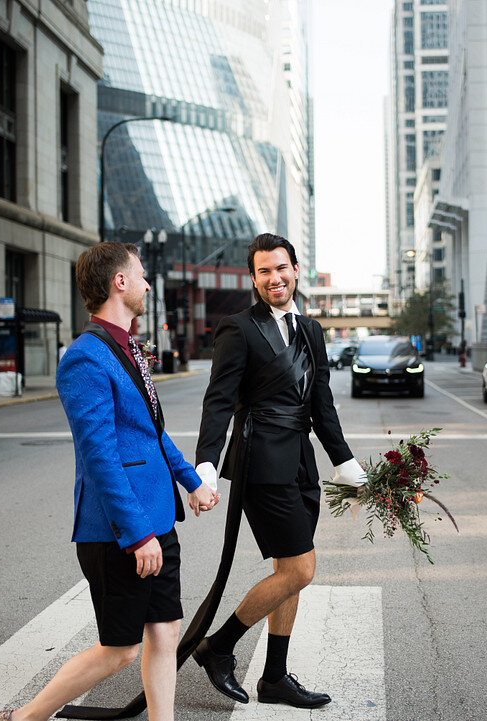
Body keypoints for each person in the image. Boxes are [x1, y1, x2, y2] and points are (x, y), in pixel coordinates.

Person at [0, 242, 219, 721]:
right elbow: (100, 458)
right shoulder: (85, 358)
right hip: (119, 530)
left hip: (157, 518)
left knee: (165, 631)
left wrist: (190, 481)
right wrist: (137, 535)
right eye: (140, 274)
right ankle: (23, 718)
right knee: (120, 651)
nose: (146, 283)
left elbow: (150, 433)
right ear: (119, 281)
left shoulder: (130, 347)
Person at [192, 233, 367, 709]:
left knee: (288, 568)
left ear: (295, 270)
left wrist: (346, 463)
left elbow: (322, 404)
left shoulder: (311, 330)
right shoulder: (238, 328)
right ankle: (219, 647)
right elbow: (219, 401)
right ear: (253, 277)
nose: (275, 278)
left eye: (281, 268)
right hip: (260, 462)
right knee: (301, 569)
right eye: (264, 271)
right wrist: (205, 465)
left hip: (300, 463)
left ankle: (273, 678)